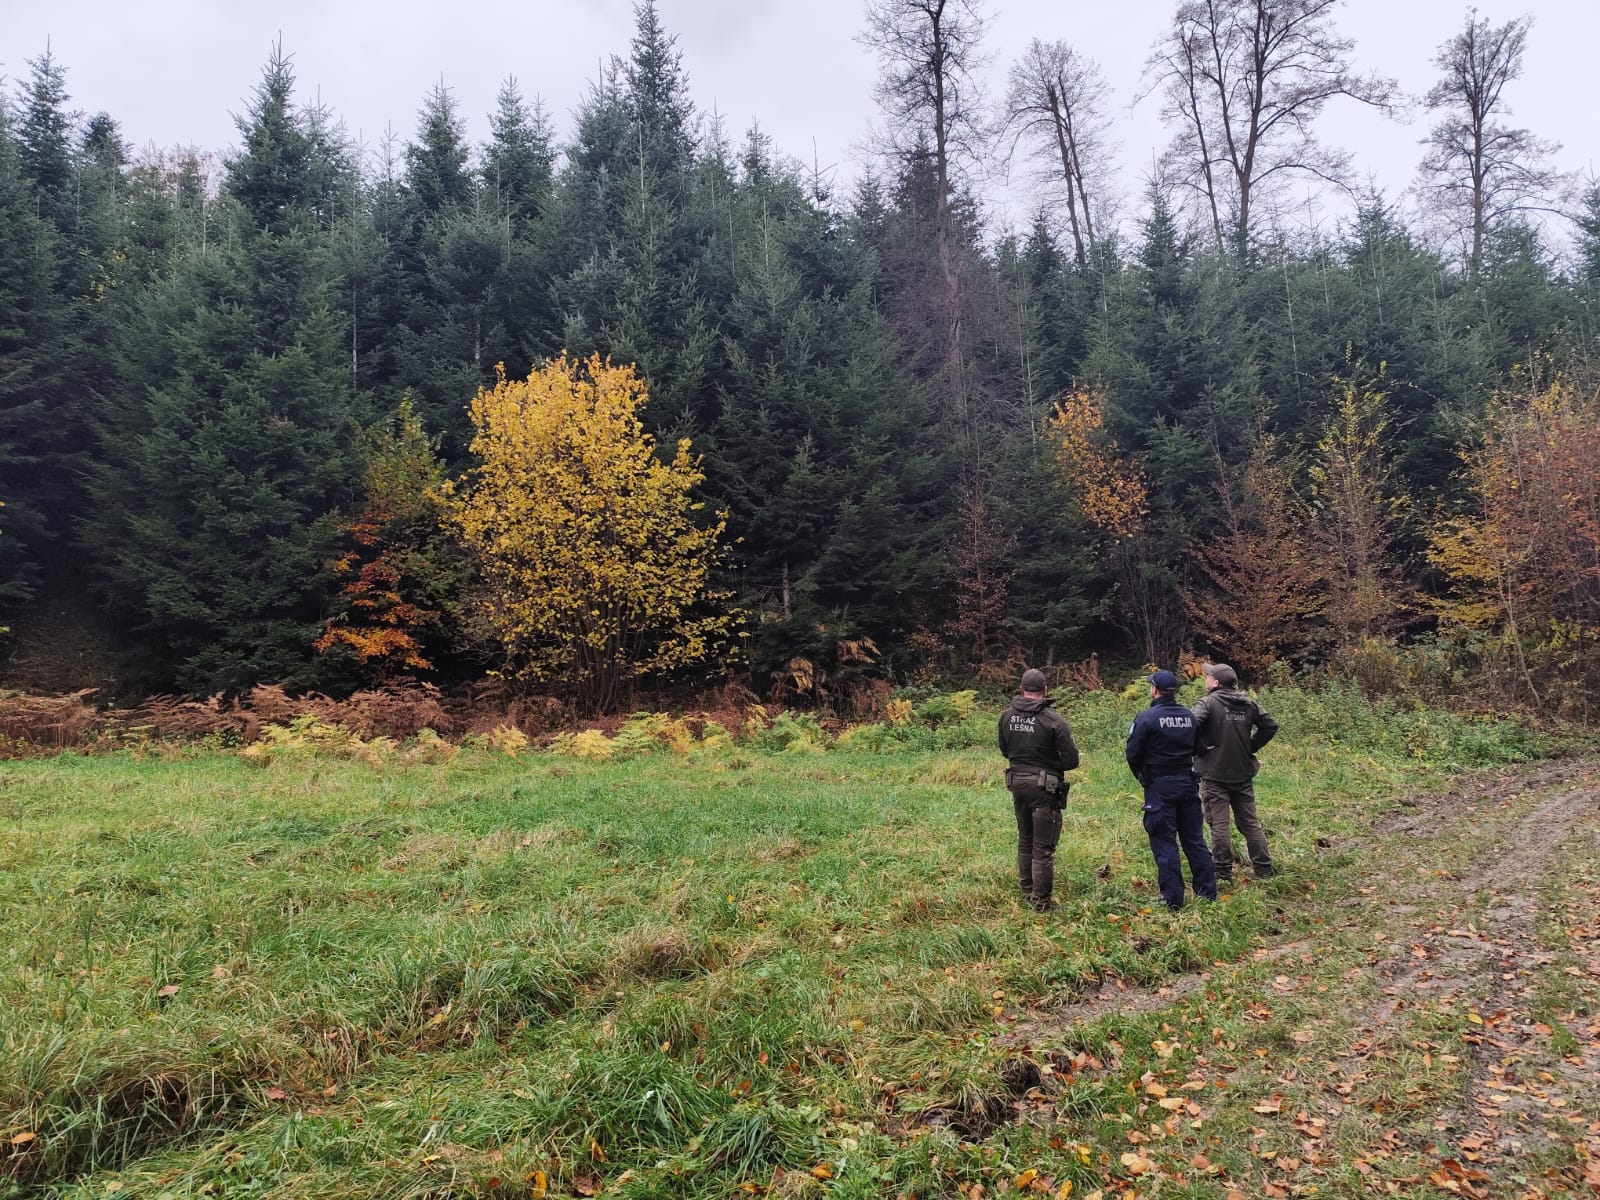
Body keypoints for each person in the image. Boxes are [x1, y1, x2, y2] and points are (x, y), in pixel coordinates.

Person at [1125, 670, 1217, 911]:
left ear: (1155, 690)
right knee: (1194, 839)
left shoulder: (1146, 718)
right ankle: (1207, 893)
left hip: (1160, 787)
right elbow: (1199, 747)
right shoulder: (1189, 716)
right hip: (1187, 784)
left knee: (1164, 842)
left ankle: (1173, 899)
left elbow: (1133, 753)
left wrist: (1143, 777)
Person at [998, 667, 1079, 912]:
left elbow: (1005, 751)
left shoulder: (1005, 717)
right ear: (1045, 691)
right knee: (1043, 847)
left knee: (1025, 839)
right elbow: (1072, 760)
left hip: (1017, 783)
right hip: (1044, 788)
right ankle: (1041, 902)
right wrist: (1051, 765)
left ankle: (1027, 890)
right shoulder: (1054, 721)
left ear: (1022, 689)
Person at [1191, 662, 1279, 883]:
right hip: (1242, 773)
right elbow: (1269, 726)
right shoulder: (1247, 703)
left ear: (1216, 682)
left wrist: (1198, 748)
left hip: (1214, 775)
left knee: (1219, 825)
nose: (1206, 678)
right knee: (1250, 823)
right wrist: (1251, 746)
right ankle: (1264, 870)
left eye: (1208, 676)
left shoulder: (1208, 703)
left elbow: (1189, 725)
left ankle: (1222, 874)